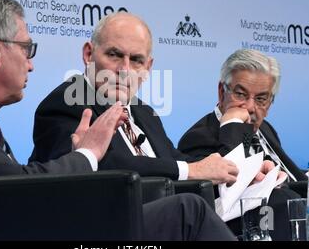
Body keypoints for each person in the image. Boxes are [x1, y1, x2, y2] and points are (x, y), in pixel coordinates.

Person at [0, 0, 236, 241]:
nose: (31, 64)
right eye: (27, 49)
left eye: (136, 60)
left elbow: (13, 182)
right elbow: (16, 193)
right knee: (186, 212)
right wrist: (86, 154)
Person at [30, 11, 239, 184]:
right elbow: (100, 166)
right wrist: (190, 170)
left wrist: (232, 170)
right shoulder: (65, 102)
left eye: (137, 60)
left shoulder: (144, 112)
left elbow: (173, 159)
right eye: (114, 55)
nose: (125, 70)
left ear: (148, 67)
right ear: (88, 54)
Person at [177, 48, 309, 240]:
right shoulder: (198, 137)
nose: (250, 107)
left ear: (270, 103)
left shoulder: (266, 129)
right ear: (222, 92)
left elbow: (289, 177)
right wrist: (233, 126)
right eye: (240, 94)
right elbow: (225, 196)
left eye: (261, 99)